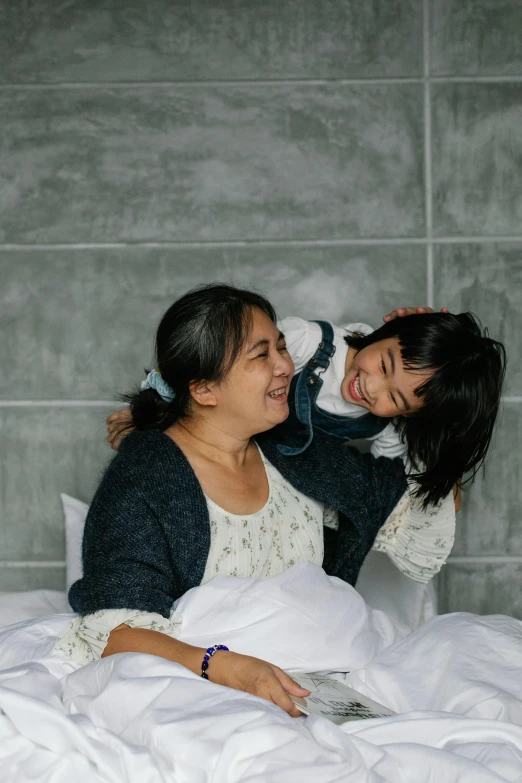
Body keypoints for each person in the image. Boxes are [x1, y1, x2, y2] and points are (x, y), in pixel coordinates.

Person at [54, 284, 456, 717]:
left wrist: (434, 368)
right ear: (205, 389)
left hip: (312, 688)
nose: (285, 366)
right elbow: (113, 631)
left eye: (282, 347)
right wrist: (225, 667)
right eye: (262, 355)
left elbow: (419, 501)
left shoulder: (296, 450)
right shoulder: (145, 477)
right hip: (205, 686)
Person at [276, 307, 506, 508]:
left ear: (408, 413)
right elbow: (243, 365)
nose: (372, 388)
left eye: (394, 398)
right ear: (389, 332)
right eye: (385, 366)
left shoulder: (386, 429)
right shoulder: (308, 341)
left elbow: (385, 483)